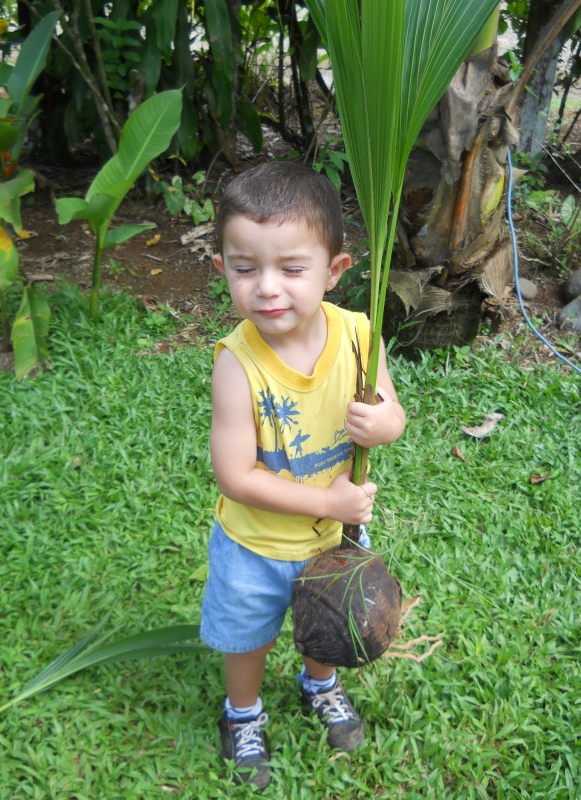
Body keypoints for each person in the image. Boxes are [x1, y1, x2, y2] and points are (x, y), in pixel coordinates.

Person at [200, 160, 405, 789]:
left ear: (334, 272)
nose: (267, 288)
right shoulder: (237, 365)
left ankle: (321, 683)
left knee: (327, 620)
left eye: (291, 269)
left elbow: (394, 413)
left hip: (331, 543)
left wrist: (384, 425)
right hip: (256, 545)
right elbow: (234, 475)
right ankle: (244, 713)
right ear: (221, 270)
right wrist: (330, 500)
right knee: (249, 638)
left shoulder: (357, 335)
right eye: (245, 268)